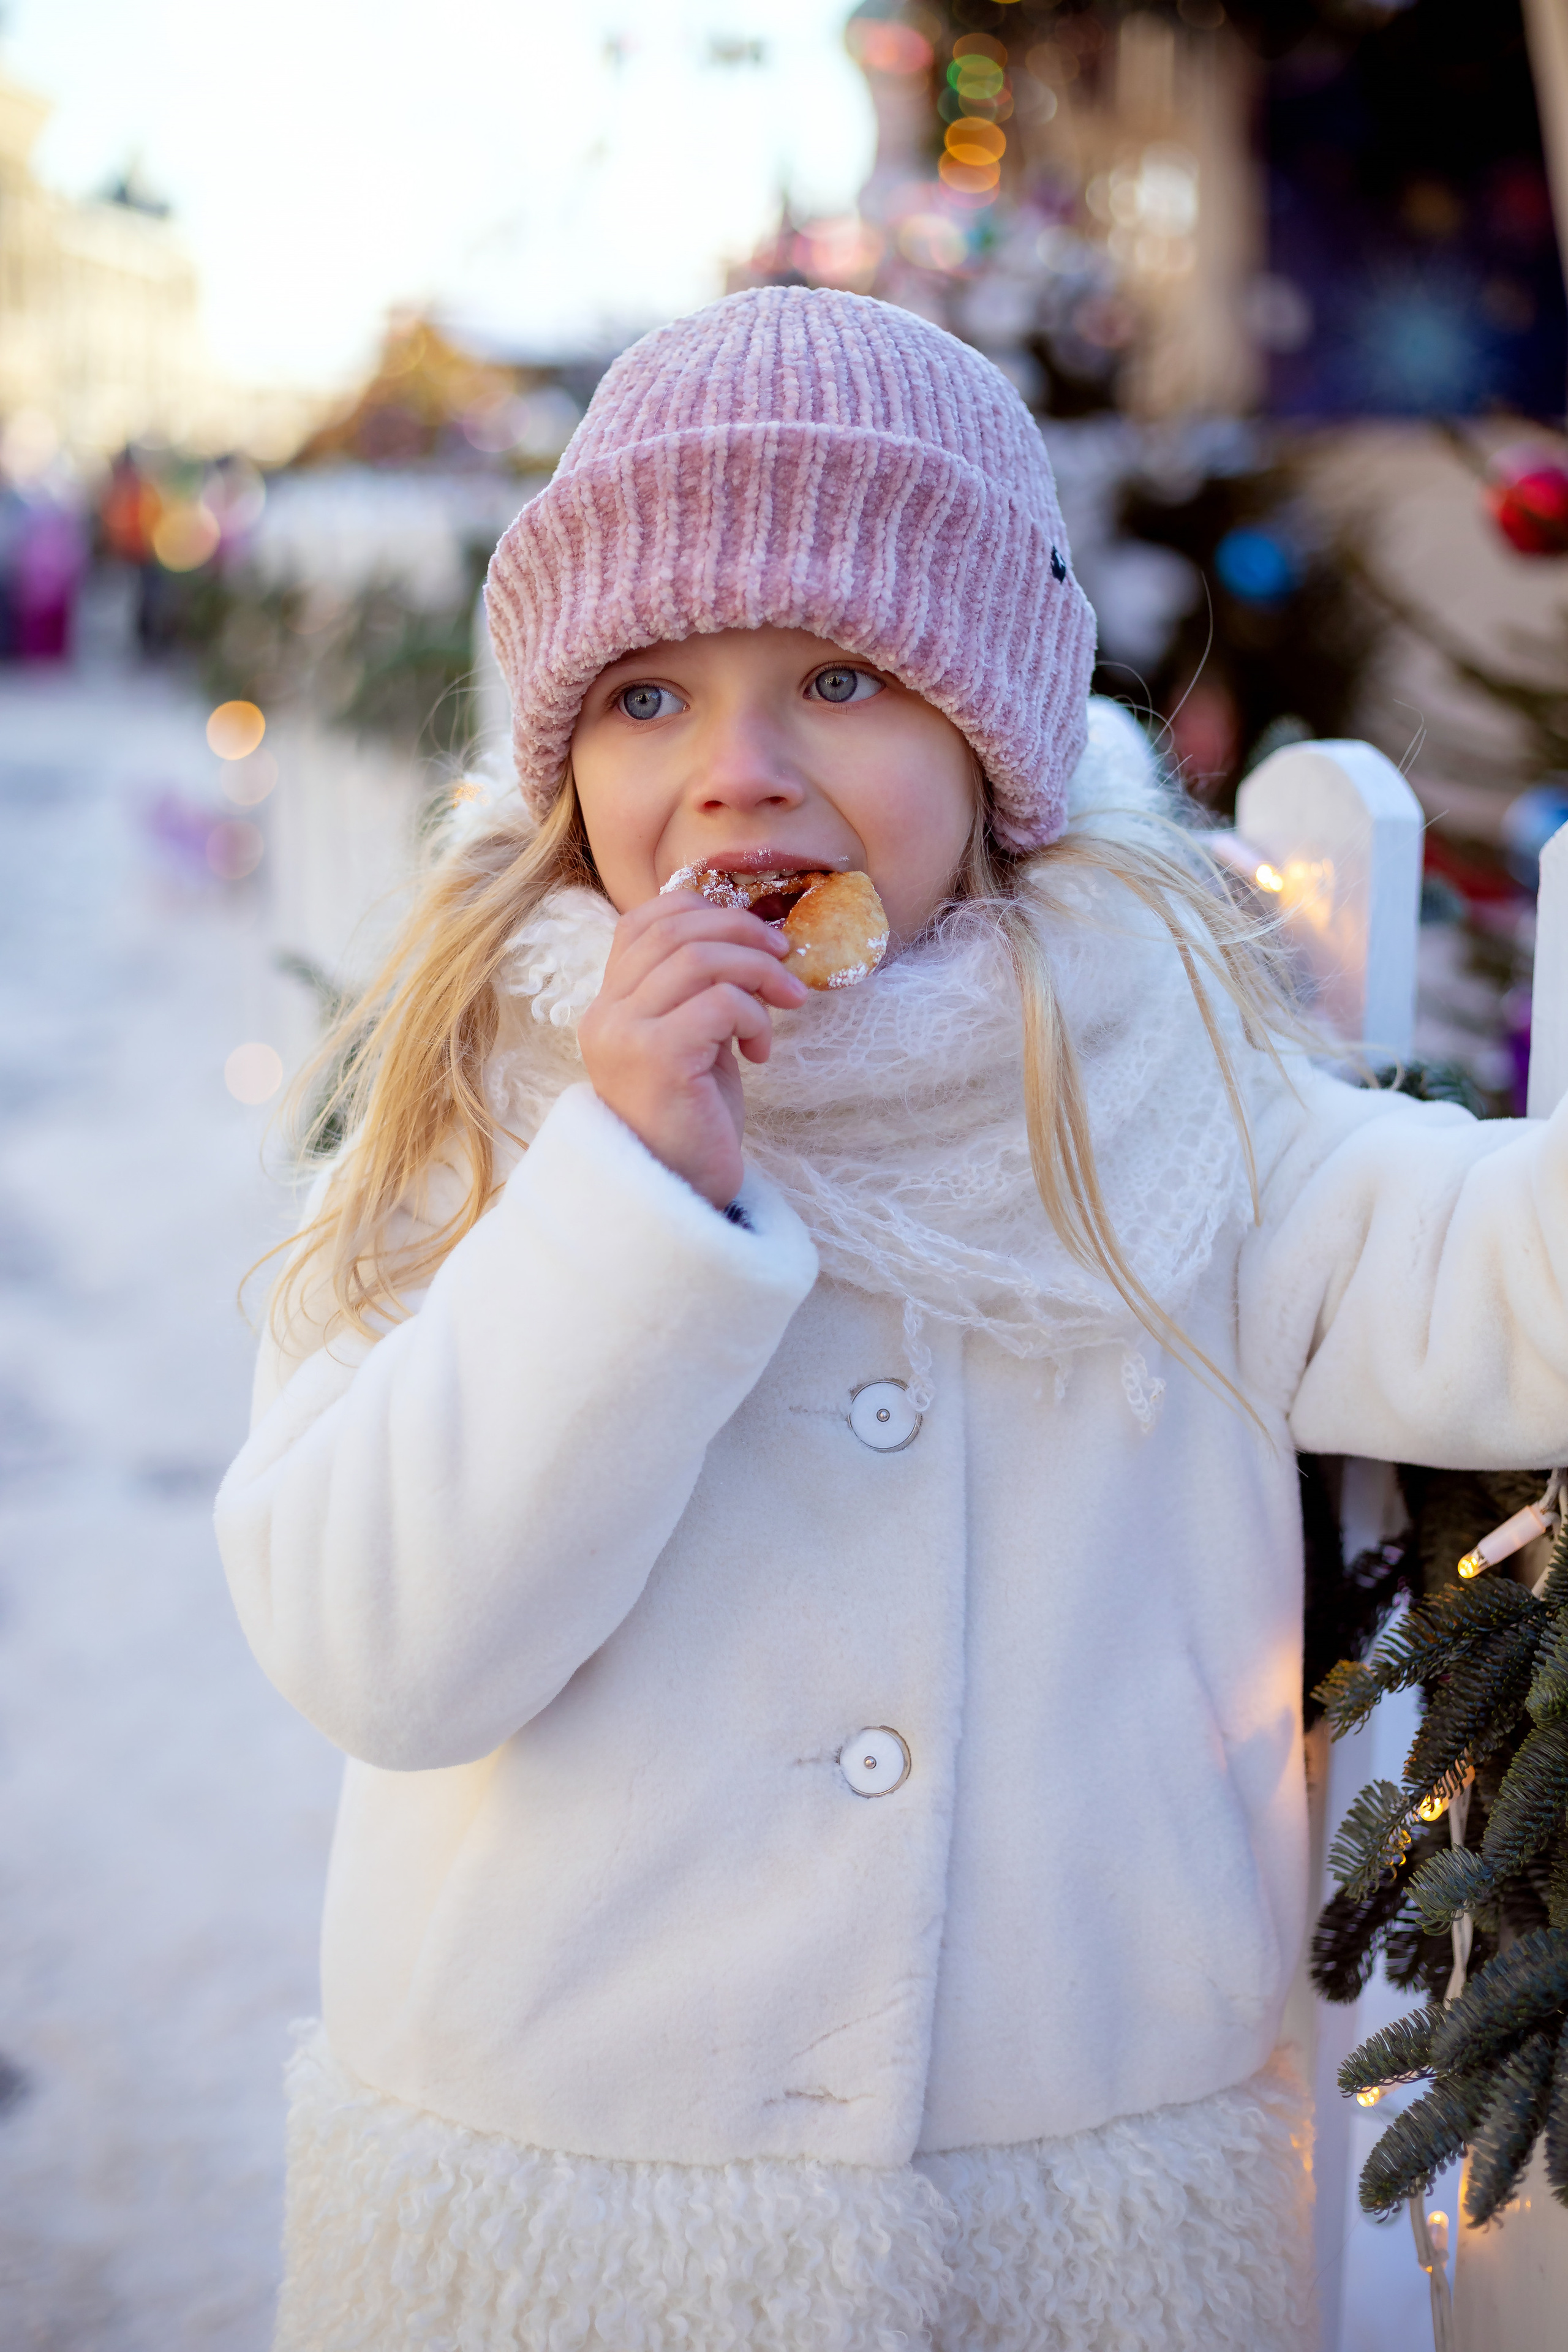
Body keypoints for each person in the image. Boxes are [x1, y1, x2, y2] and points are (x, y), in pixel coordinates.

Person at [216, 288, 1568, 2352]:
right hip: (566, 2245)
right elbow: (373, 1647)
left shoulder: (1171, 1093)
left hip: (1077, 2242)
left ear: (990, 741)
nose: (739, 774)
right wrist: (631, 1189)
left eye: (837, 677)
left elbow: (1490, 1280)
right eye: (648, 699)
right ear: (564, 756)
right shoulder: (475, 1116)